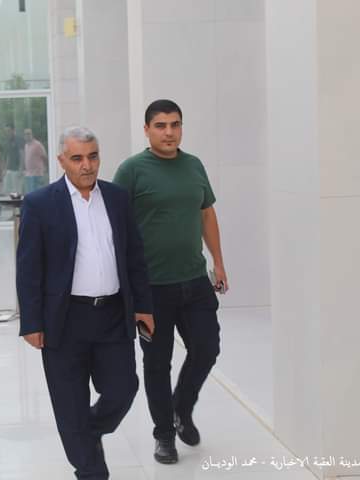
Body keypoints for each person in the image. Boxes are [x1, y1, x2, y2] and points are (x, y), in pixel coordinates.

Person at [17, 126, 155, 479]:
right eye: (77, 158)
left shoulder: (117, 198)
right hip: (64, 320)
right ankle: (91, 470)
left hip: (112, 315)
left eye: (92, 157)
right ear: (61, 160)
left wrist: (143, 306)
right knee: (70, 404)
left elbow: (135, 256)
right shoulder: (40, 204)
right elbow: (29, 268)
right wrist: (31, 322)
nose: (87, 165)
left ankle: (87, 431)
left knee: (123, 389)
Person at [113, 99, 228, 464]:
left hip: (194, 281)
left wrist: (218, 262)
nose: (169, 132)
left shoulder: (193, 165)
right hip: (151, 288)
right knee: (157, 363)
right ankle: (164, 435)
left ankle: (181, 408)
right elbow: (115, 227)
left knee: (207, 348)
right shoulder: (132, 170)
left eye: (175, 125)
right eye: (161, 125)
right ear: (147, 130)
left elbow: (206, 214)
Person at [23, 127, 48, 193]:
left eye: (29, 134)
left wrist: (45, 168)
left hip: (37, 174)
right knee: (30, 193)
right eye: (25, 134)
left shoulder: (37, 145)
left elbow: (44, 157)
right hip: (28, 174)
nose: (27, 135)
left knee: (37, 193)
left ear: (32, 134)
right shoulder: (26, 145)